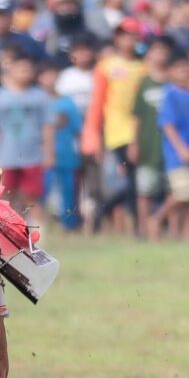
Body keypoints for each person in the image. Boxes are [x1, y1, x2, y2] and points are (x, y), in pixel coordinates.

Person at [82, 17, 146, 233]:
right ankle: (104, 216)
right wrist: (93, 138)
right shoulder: (106, 67)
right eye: (123, 34)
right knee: (127, 183)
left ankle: (135, 225)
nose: (127, 39)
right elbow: (97, 105)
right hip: (116, 133)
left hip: (141, 133)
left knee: (136, 182)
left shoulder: (143, 68)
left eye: (132, 34)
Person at [148, 52, 189, 241]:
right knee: (182, 193)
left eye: (185, 67)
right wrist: (181, 148)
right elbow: (167, 125)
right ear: (170, 72)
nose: (183, 72)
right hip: (178, 154)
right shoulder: (170, 94)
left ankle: (188, 234)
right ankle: (156, 219)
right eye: (178, 68)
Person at [0, 51, 55, 230]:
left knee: (32, 196)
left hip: (32, 155)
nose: (25, 72)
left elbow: (47, 127)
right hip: (7, 155)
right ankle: (9, 233)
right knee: (6, 198)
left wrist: (49, 153)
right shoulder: (1, 96)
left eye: (28, 69)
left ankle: (38, 238)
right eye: (21, 69)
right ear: (10, 71)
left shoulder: (39, 96)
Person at [129, 35, 173, 237]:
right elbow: (137, 117)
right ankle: (143, 229)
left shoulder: (174, 82)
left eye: (164, 51)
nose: (160, 55)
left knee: (172, 190)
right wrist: (134, 143)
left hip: (171, 146)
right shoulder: (144, 83)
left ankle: (173, 230)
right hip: (147, 144)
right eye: (156, 50)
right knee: (144, 190)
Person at [39, 60, 82, 229]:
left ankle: (69, 225)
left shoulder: (67, 102)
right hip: (41, 155)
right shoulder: (36, 101)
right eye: (46, 75)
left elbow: (77, 128)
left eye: (53, 75)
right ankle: (40, 224)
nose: (50, 79)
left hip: (66, 153)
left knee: (68, 191)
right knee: (41, 190)